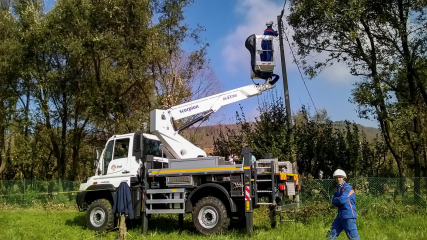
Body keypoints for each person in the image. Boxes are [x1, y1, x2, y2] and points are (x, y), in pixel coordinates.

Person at [327, 169, 360, 240]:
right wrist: (337, 200)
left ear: (344, 178)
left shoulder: (348, 188)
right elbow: (334, 201)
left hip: (348, 216)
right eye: (336, 177)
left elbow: (342, 200)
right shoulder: (338, 189)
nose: (338, 179)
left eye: (340, 177)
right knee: (330, 235)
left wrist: (337, 200)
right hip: (340, 216)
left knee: (353, 237)